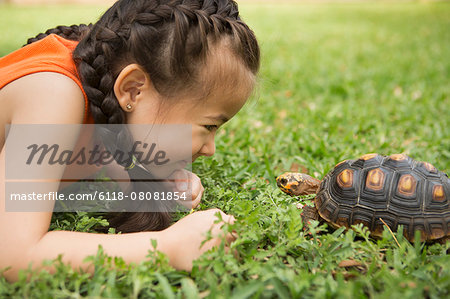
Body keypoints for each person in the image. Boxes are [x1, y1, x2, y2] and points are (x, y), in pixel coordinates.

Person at [0, 0, 260, 281]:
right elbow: (14, 256)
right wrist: (170, 247)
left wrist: (152, 175)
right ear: (133, 90)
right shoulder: (54, 94)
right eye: (209, 125)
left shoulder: (100, 91)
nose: (210, 149)